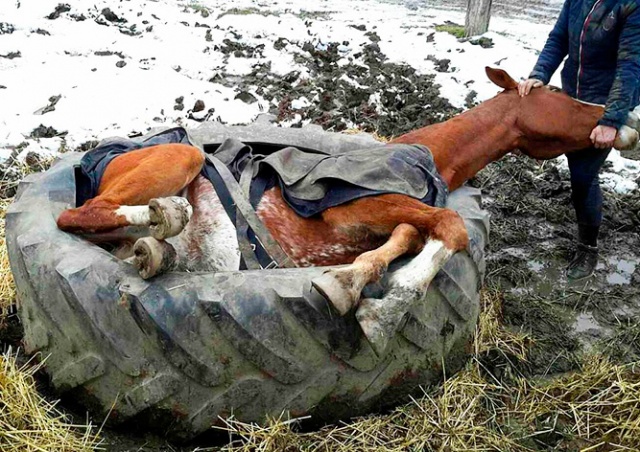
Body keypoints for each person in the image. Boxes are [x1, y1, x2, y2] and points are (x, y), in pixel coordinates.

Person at [518, 0, 640, 280]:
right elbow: (558, 38)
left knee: (583, 176)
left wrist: (610, 121)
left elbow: (631, 64)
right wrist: (539, 74)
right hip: (572, 95)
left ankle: (588, 247)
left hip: (604, 103)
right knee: (573, 163)